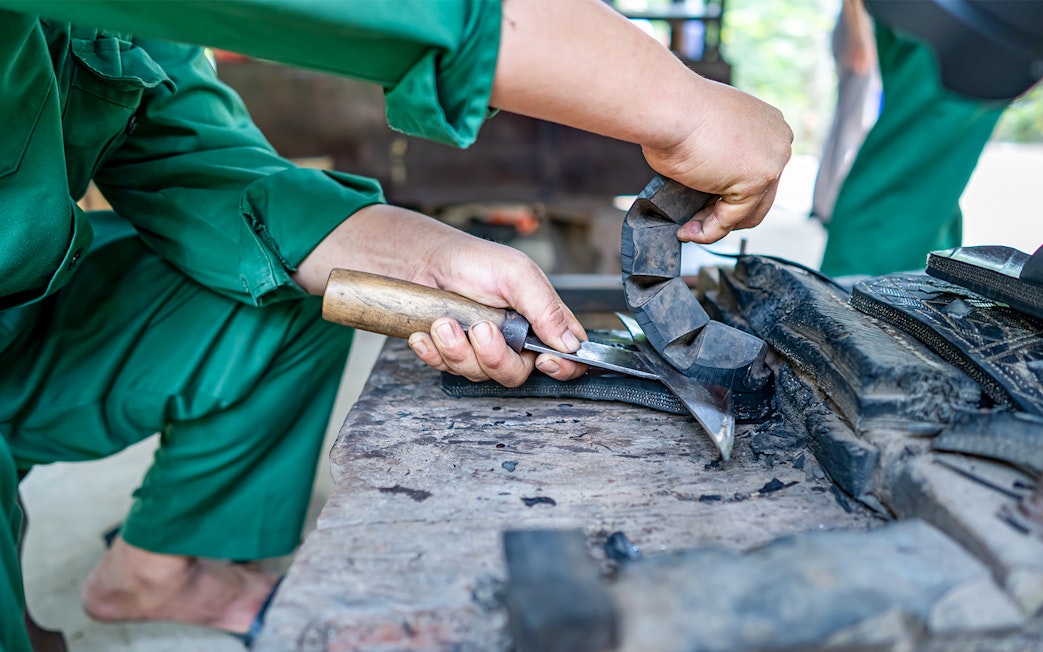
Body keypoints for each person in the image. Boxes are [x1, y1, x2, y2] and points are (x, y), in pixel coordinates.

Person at [0, 1, 792, 649]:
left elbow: (182, 152)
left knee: (281, 289)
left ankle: (154, 572)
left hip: (22, 328)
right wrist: (682, 104)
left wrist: (415, 249)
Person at [818, 19, 1007, 277]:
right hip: (963, 28)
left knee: (935, 176)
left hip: (981, 31)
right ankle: (850, 291)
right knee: (909, 163)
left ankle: (927, 280)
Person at [810, 0, 880, 225]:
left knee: (846, 122)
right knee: (849, 124)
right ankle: (828, 205)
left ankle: (825, 202)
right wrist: (861, 36)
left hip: (860, 28)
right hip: (857, 28)